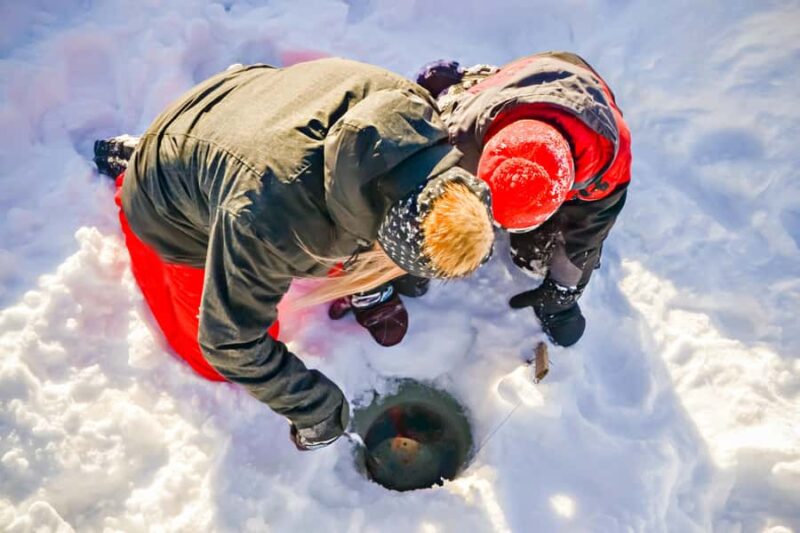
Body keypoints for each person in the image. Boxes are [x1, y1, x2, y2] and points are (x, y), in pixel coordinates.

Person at [96, 57, 495, 450]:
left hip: (248, 106)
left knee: (333, 242)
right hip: (167, 201)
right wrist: (313, 408)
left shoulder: (411, 110)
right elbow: (228, 343)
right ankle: (136, 167)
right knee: (209, 357)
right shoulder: (271, 219)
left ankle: (180, 158)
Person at [332, 52, 631, 348]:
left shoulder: (607, 166)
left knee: (537, 256)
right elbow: (391, 190)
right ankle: (451, 81)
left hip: (578, 86)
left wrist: (564, 292)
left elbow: (588, 233)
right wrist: (393, 261)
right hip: (512, 86)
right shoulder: (460, 131)